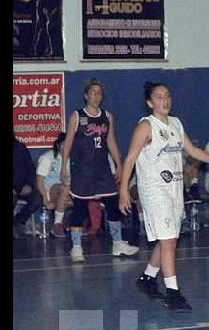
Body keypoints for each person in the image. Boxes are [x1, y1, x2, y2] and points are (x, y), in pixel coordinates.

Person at [118, 82, 209, 311]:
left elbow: (193, 152)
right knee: (169, 241)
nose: (164, 100)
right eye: (159, 96)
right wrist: (124, 190)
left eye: (167, 95)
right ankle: (173, 293)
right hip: (154, 190)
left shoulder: (176, 123)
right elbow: (130, 158)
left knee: (169, 237)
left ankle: (147, 279)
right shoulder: (146, 126)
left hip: (174, 189)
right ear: (149, 102)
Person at [60, 79, 140, 262]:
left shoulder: (107, 116)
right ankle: (77, 247)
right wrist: (64, 165)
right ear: (86, 95)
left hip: (102, 169)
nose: (96, 96)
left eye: (99, 93)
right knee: (79, 208)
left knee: (112, 204)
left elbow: (110, 140)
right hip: (83, 170)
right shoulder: (77, 116)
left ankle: (118, 243)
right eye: (93, 93)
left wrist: (118, 163)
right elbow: (69, 142)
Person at [35, 132, 71, 238]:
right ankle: (57, 223)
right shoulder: (48, 157)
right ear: (59, 145)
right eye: (65, 144)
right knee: (65, 189)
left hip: (68, 190)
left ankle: (61, 222)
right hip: (50, 189)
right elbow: (40, 180)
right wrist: (45, 200)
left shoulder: (74, 158)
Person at [13, 133, 42, 237]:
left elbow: (31, 168)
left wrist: (29, 184)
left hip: (22, 185)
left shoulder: (20, 148)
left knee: (37, 199)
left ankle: (18, 221)